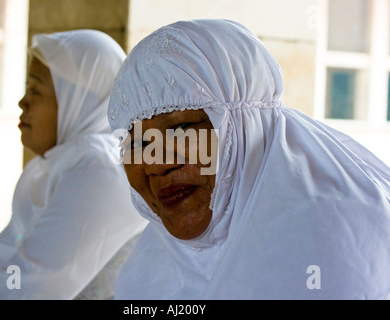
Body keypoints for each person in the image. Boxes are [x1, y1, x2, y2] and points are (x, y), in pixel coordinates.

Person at [107, 19, 390, 299]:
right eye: (137, 143)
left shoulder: (327, 245)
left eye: (182, 128)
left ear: (246, 126)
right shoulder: (154, 259)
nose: (156, 164)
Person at [0, 29, 146, 299]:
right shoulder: (58, 165)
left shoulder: (101, 169)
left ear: (77, 100)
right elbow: (0, 257)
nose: (22, 103)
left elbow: (30, 284)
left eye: (35, 90)